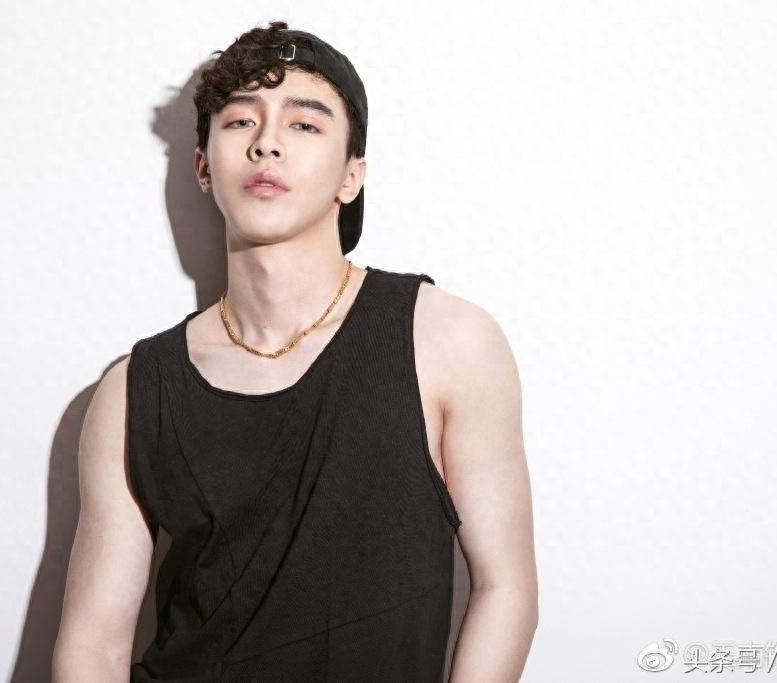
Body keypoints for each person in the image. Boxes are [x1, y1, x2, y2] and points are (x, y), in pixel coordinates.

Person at [53, 20, 537, 682]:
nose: (267, 143)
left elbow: (507, 587)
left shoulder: (447, 340)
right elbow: (94, 646)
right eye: (239, 121)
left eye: (304, 124)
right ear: (203, 167)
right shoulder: (133, 390)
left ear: (351, 176)